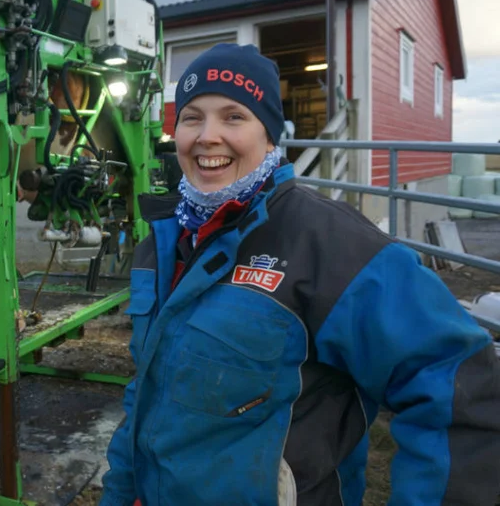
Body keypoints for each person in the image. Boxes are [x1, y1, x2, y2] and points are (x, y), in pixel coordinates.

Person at [100, 43, 500, 505]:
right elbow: (145, 394)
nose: (207, 136)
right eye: (192, 118)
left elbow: (457, 387)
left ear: (270, 136)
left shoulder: (330, 245)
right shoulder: (163, 241)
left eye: (234, 117)